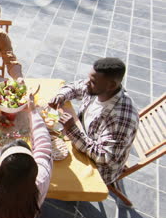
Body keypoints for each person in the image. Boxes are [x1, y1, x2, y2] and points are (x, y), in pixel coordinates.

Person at [48, 57, 139, 185]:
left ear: (112, 85)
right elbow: (74, 87)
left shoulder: (121, 118)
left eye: (92, 81)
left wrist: (72, 130)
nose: (86, 83)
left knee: (49, 170)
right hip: (82, 136)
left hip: (97, 167)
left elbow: (105, 157)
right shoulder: (99, 88)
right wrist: (61, 96)